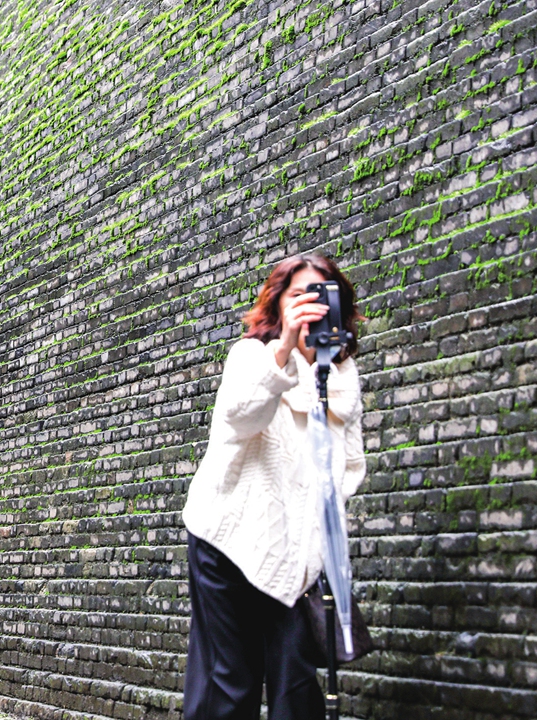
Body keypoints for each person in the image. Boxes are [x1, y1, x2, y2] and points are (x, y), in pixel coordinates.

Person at [179, 254, 366, 720]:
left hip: (296, 556)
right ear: (277, 305)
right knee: (229, 686)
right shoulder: (251, 357)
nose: (311, 305)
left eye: (323, 296)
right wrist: (283, 348)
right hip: (228, 541)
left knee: (297, 690)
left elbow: (349, 468)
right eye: (298, 295)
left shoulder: (341, 377)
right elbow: (240, 418)